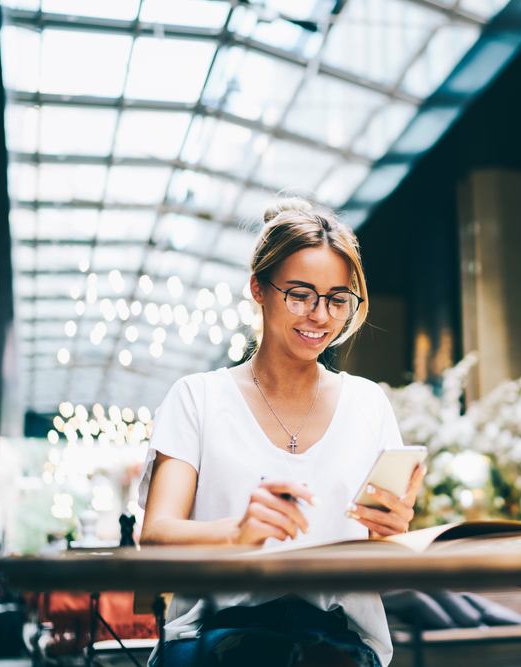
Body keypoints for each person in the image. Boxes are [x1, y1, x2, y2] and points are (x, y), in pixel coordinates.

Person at [138, 198, 425, 667]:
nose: (320, 315)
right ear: (258, 288)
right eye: (300, 294)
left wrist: (391, 533)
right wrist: (238, 532)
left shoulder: (368, 404)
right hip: (213, 639)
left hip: (338, 644)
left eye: (337, 299)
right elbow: (155, 535)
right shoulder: (197, 397)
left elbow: (377, 559)